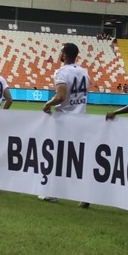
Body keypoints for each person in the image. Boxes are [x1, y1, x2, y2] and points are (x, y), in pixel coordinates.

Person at [41, 42, 91, 205]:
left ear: (64, 55)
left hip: (65, 120)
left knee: (58, 157)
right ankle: (85, 195)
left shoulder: (62, 72)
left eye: (61, 52)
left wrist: (48, 104)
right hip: (81, 118)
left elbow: (61, 97)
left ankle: (53, 192)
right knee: (77, 159)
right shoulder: (84, 72)